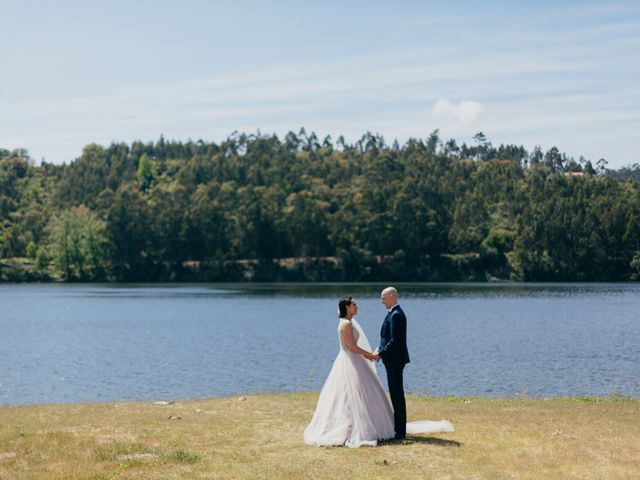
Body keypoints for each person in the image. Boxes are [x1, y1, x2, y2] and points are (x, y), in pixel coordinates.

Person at [304, 296, 395, 447]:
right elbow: (352, 347)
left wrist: (368, 354)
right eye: (354, 304)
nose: (357, 307)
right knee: (348, 393)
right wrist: (369, 355)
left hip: (356, 360)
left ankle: (367, 425)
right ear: (347, 307)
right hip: (349, 361)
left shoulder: (349, 322)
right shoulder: (345, 324)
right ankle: (351, 427)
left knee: (362, 393)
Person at [373, 286, 410, 439]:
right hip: (391, 359)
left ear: (392, 296)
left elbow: (396, 341)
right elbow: (387, 338)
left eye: (383, 298)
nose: (381, 301)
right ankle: (398, 427)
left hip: (395, 360)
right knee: (395, 394)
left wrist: (380, 353)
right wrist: (379, 349)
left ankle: (400, 431)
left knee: (397, 395)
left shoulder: (397, 315)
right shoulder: (392, 314)